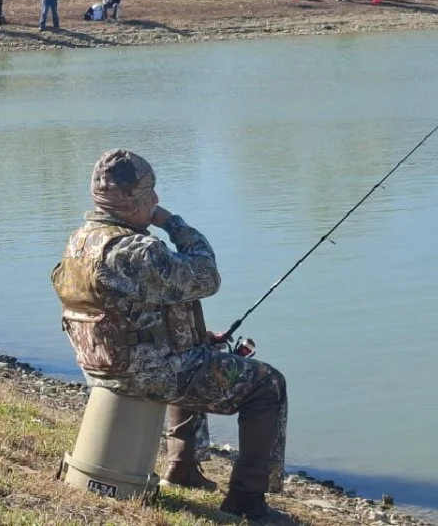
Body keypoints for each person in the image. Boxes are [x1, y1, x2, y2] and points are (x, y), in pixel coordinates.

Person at [51, 149, 288, 520]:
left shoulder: (80, 241)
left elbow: (128, 310)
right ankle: (247, 500)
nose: (156, 202)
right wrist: (172, 222)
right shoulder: (137, 250)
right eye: (151, 197)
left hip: (100, 367)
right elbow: (207, 275)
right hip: (145, 375)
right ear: (135, 203)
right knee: (267, 385)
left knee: (195, 351)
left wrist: (190, 336)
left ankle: (183, 467)